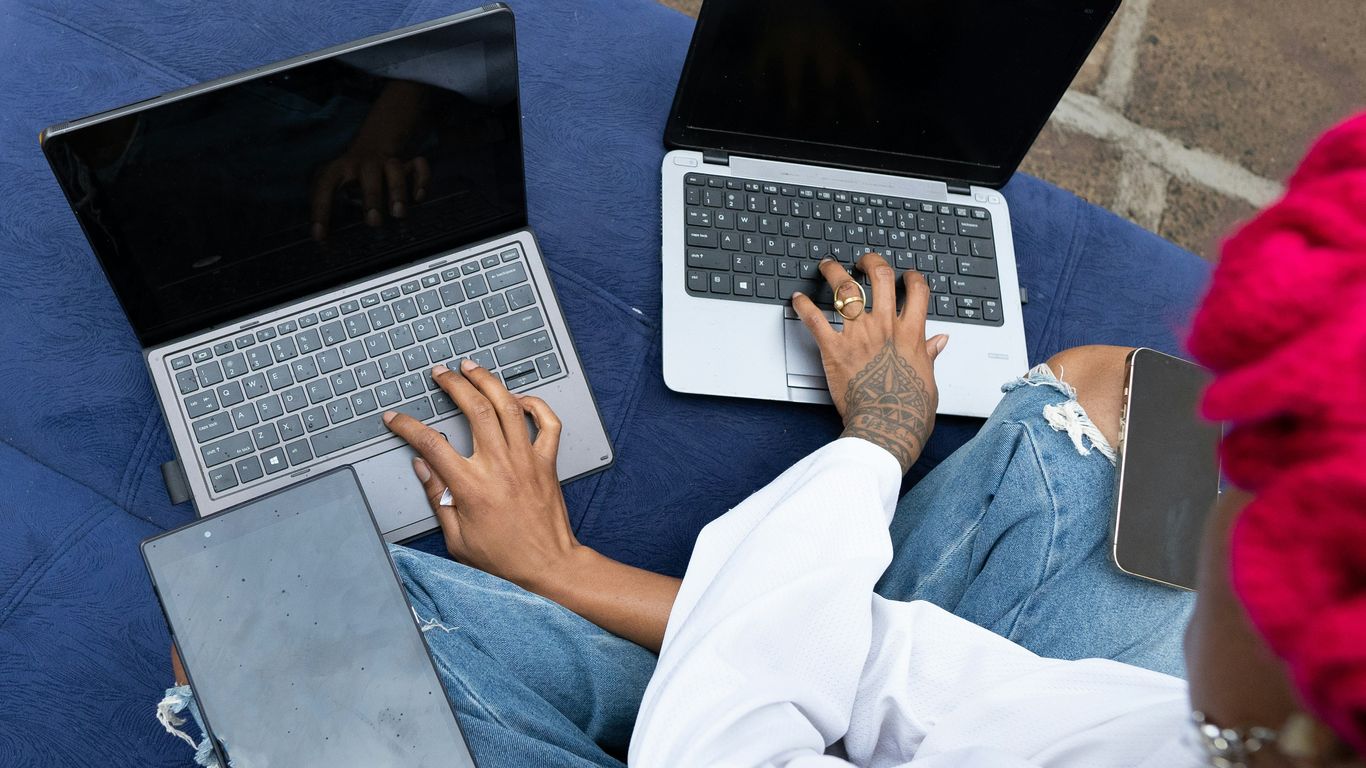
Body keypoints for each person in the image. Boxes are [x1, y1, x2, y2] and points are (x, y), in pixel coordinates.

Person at [159, 112, 1366, 767]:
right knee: (1110, 404)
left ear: (1302, 693)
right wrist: (562, 570)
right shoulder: (1197, 736)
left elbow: (732, 735)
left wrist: (877, 449)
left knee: (259, 641)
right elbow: (914, 685)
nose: (1218, 519)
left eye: (1236, 529)